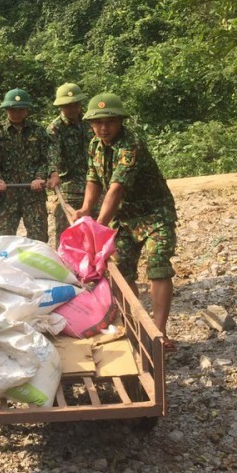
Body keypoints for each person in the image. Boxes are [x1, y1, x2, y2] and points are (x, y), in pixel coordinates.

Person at [73, 92, 177, 350]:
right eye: (97, 123)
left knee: (158, 265)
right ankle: (134, 327)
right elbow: (94, 179)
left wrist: (99, 224)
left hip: (154, 216)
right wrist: (86, 208)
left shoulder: (131, 145)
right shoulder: (95, 145)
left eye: (109, 121)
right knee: (121, 271)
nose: (103, 128)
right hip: (126, 218)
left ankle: (159, 333)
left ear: (120, 121)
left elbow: (116, 188)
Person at [0, 88, 59, 243]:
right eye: (12, 109)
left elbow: (46, 158)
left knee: (38, 238)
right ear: (6, 109)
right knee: (4, 239)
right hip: (6, 193)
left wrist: (40, 177)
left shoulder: (38, 131)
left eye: (21, 109)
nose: (16, 113)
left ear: (27, 110)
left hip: (33, 193)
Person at [47, 82, 91, 244]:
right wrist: (53, 173)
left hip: (93, 186)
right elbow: (52, 154)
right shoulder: (55, 128)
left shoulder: (90, 123)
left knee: (96, 231)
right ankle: (66, 268)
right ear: (60, 106)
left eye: (75, 104)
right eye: (67, 106)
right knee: (66, 234)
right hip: (68, 189)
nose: (72, 109)